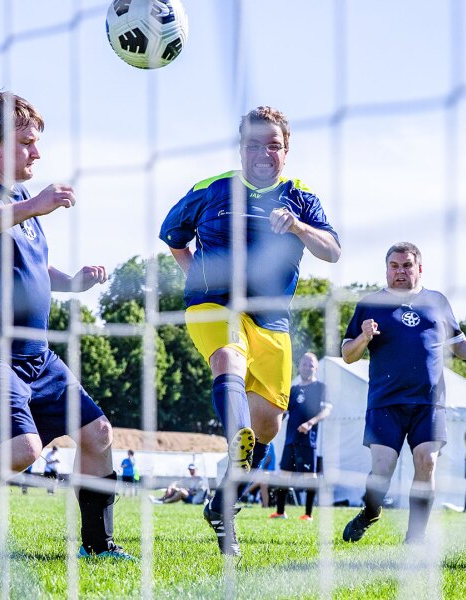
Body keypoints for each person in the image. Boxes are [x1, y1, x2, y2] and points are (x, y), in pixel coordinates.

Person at [159, 106, 341, 556]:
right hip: (212, 305)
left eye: (273, 145)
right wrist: (195, 273)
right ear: (241, 149)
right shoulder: (210, 189)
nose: (263, 153)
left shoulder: (301, 197)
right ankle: (233, 436)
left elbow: (333, 252)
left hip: (272, 323)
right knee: (228, 357)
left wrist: (298, 226)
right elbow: (172, 237)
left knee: (268, 427)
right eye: (254, 144)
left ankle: (223, 503)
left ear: (286, 150)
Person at [0, 92, 131, 560]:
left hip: (38, 357)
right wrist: (33, 206)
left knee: (99, 434)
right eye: (27, 143)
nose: (37, 152)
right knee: (23, 451)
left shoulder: (22, 198)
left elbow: (31, 270)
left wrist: (71, 282)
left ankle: (98, 547)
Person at [339, 242, 466, 545]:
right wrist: (364, 337)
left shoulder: (436, 302)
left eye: (406, 265)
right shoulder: (370, 303)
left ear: (419, 268)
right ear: (386, 268)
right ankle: (370, 512)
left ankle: (415, 538)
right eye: (394, 266)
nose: (400, 271)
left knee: (426, 462)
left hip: (429, 402)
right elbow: (347, 354)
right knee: (381, 470)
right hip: (385, 401)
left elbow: (459, 345)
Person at [271, 352, 331, 521]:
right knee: (283, 474)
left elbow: (326, 410)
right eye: (304, 364)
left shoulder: (321, 388)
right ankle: (280, 512)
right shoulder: (293, 389)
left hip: (308, 440)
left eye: (311, 364)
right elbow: (284, 412)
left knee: (309, 477)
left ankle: (308, 514)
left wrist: (310, 423)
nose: (307, 367)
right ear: (299, 366)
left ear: (316, 368)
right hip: (290, 439)